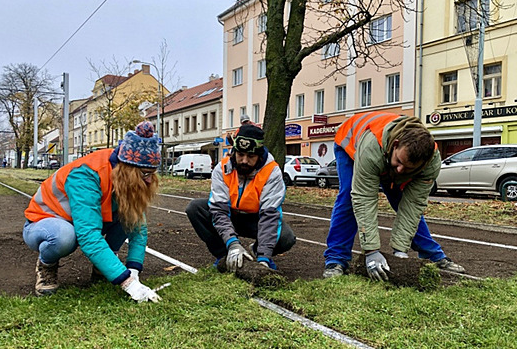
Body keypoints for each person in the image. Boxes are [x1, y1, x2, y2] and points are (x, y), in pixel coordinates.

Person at [23, 121, 163, 302]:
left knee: (129, 215)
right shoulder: (86, 175)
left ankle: (102, 268)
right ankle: (46, 265)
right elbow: (88, 235)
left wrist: (134, 271)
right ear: (129, 170)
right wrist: (128, 283)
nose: (150, 180)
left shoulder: (125, 173)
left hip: (80, 221)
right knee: (65, 237)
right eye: (145, 174)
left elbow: (138, 228)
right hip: (45, 223)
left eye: (153, 173)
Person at [323, 112, 465, 280]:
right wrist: (371, 251)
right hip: (351, 143)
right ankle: (336, 259)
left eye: (407, 168)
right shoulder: (372, 148)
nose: (399, 171)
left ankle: (431, 254)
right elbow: (364, 198)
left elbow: (412, 206)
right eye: (399, 162)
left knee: (405, 202)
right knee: (348, 197)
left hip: (386, 154)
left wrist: (400, 251)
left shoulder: (431, 164)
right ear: (396, 145)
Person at [186, 124, 296, 271]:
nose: (244, 161)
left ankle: (257, 253)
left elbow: (269, 217)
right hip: (230, 214)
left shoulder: (272, 172)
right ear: (234, 152)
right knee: (195, 208)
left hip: (256, 219)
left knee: (286, 237)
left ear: (259, 155)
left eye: (250, 156)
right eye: (240, 155)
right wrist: (233, 244)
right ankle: (224, 256)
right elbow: (219, 211)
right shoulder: (222, 168)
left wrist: (264, 258)